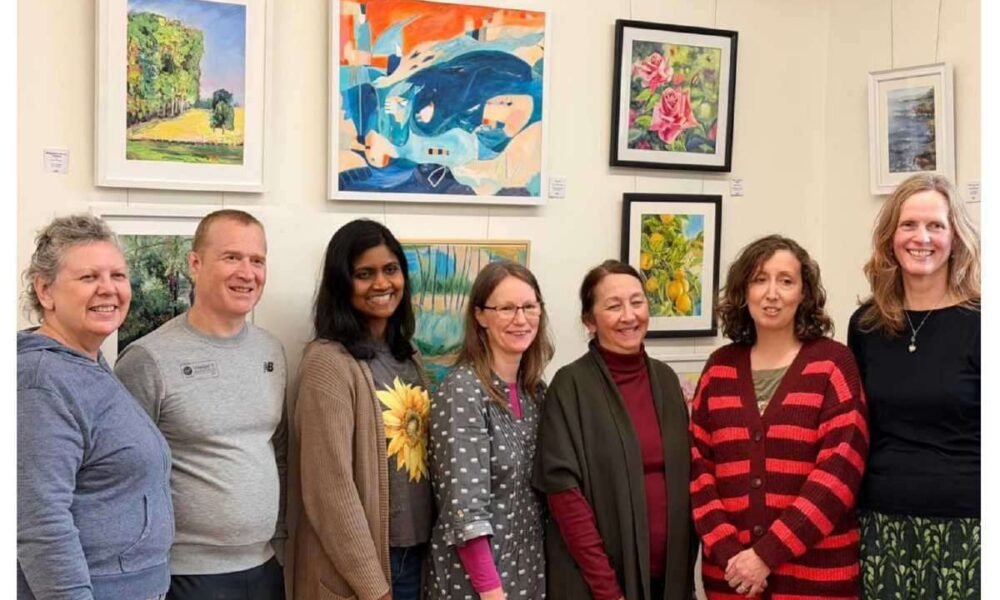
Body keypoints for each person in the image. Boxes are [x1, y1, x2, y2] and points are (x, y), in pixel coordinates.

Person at [115, 209, 288, 600]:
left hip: (264, 566)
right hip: (185, 575)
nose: (247, 273)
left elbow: (278, 450)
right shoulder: (148, 359)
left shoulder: (272, 352)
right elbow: (122, 475)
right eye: (232, 257)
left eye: (257, 260)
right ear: (195, 264)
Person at [689, 235, 868, 599]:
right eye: (760, 280)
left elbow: (838, 475)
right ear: (745, 291)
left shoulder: (834, 365)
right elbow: (699, 473)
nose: (772, 293)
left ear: (803, 294)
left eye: (786, 281)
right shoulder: (718, 369)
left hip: (817, 580)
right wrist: (732, 556)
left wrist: (765, 556)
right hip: (733, 581)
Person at [17, 214, 173, 600]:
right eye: (88, 277)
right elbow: (41, 523)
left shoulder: (88, 363)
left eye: (117, 276)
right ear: (45, 291)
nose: (109, 289)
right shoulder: (41, 381)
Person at [848, 173, 980, 599]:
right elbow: (857, 429)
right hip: (880, 523)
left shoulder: (983, 322)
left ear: (955, 238)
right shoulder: (866, 325)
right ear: (891, 237)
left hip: (969, 527)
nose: (921, 238)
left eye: (936, 225)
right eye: (909, 225)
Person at [287, 219, 433, 600]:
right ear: (341, 283)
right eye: (364, 274)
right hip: (368, 570)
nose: (382, 283)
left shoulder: (409, 355)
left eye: (390, 269)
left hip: (417, 555)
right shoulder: (328, 363)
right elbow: (329, 491)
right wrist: (373, 587)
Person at [534, 259, 697, 600]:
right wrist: (608, 591)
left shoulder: (666, 380)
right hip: (597, 585)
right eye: (613, 306)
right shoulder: (570, 386)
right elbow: (565, 498)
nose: (629, 316)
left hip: (669, 580)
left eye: (637, 302)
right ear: (589, 320)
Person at [425, 260, 554, 600]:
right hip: (476, 585)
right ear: (480, 315)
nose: (521, 319)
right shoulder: (463, 390)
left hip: (528, 575)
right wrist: (492, 593)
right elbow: (464, 512)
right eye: (506, 308)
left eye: (529, 307)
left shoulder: (536, 393)